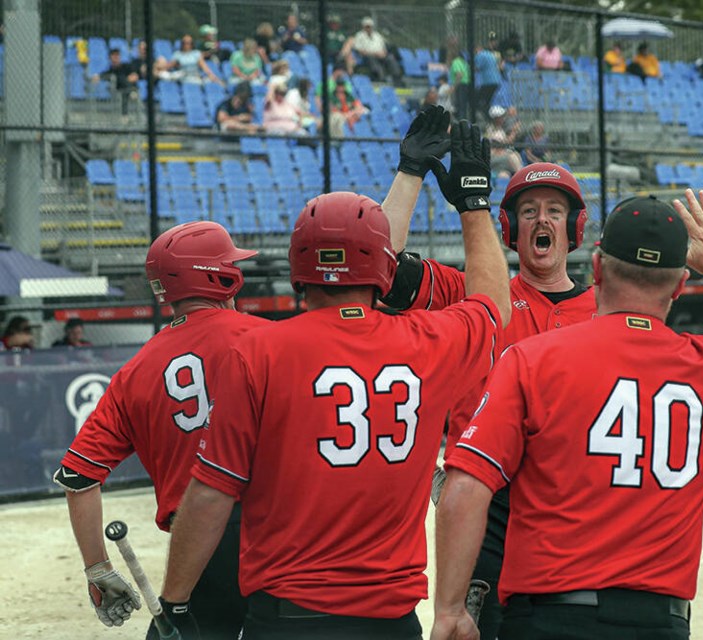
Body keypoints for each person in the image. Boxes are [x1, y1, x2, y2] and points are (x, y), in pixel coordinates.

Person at [156, 121, 511, 640]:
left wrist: (175, 603)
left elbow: (211, 494)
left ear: (299, 263)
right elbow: (493, 307)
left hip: (286, 618)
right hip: (390, 620)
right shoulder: (427, 343)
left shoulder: (258, 350)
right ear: (383, 267)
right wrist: (473, 204)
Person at [431, 189, 703, 640]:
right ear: (679, 286)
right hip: (659, 622)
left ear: (596, 269)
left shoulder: (531, 360)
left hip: (548, 618)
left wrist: (450, 609)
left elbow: (466, 485)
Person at [380, 105, 598, 640]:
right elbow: (375, 265)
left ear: (575, 227)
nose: (542, 221)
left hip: (577, 502)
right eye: (527, 212)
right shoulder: (472, 294)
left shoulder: (606, 311)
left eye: (553, 210)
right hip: (486, 499)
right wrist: (410, 174)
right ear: (506, 227)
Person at [52, 222, 267, 639]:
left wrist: (98, 568)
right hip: (278, 538)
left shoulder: (136, 369)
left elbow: (78, 477)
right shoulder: (268, 339)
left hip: (197, 551)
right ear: (220, 276)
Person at [352, 17, 404, 86]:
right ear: (363, 27)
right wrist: (374, 53)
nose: (369, 28)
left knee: (390, 58)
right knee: (372, 59)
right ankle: (381, 78)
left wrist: (383, 53)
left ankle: (397, 78)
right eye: (367, 26)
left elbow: (384, 47)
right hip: (368, 55)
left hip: (380, 54)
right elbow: (359, 49)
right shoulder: (359, 35)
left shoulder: (377, 35)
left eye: (370, 26)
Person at [157, 34, 224, 85]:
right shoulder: (178, 54)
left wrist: (213, 76)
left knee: (211, 81)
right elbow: (169, 66)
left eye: (188, 43)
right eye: (184, 43)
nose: (186, 45)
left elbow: (204, 67)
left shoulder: (196, 54)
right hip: (183, 76)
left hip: (195, 76)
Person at [486, 106, 523, 177]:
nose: (502, 118)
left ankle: (519, 176)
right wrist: (514, 131)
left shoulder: (504, 127)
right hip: (494, 152)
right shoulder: (490, 128)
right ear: (495, 118)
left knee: (515, 156)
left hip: (505, 151)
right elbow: (504, 142)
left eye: (502, 116)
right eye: (500, 117)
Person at [474, 40, 501, 117]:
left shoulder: (479, 55)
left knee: (479, 101)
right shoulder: (491, 54)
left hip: (488, 81)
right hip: (496, 80)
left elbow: (477, 68)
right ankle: (488, 116)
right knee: (487, 101)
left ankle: (487, 117)